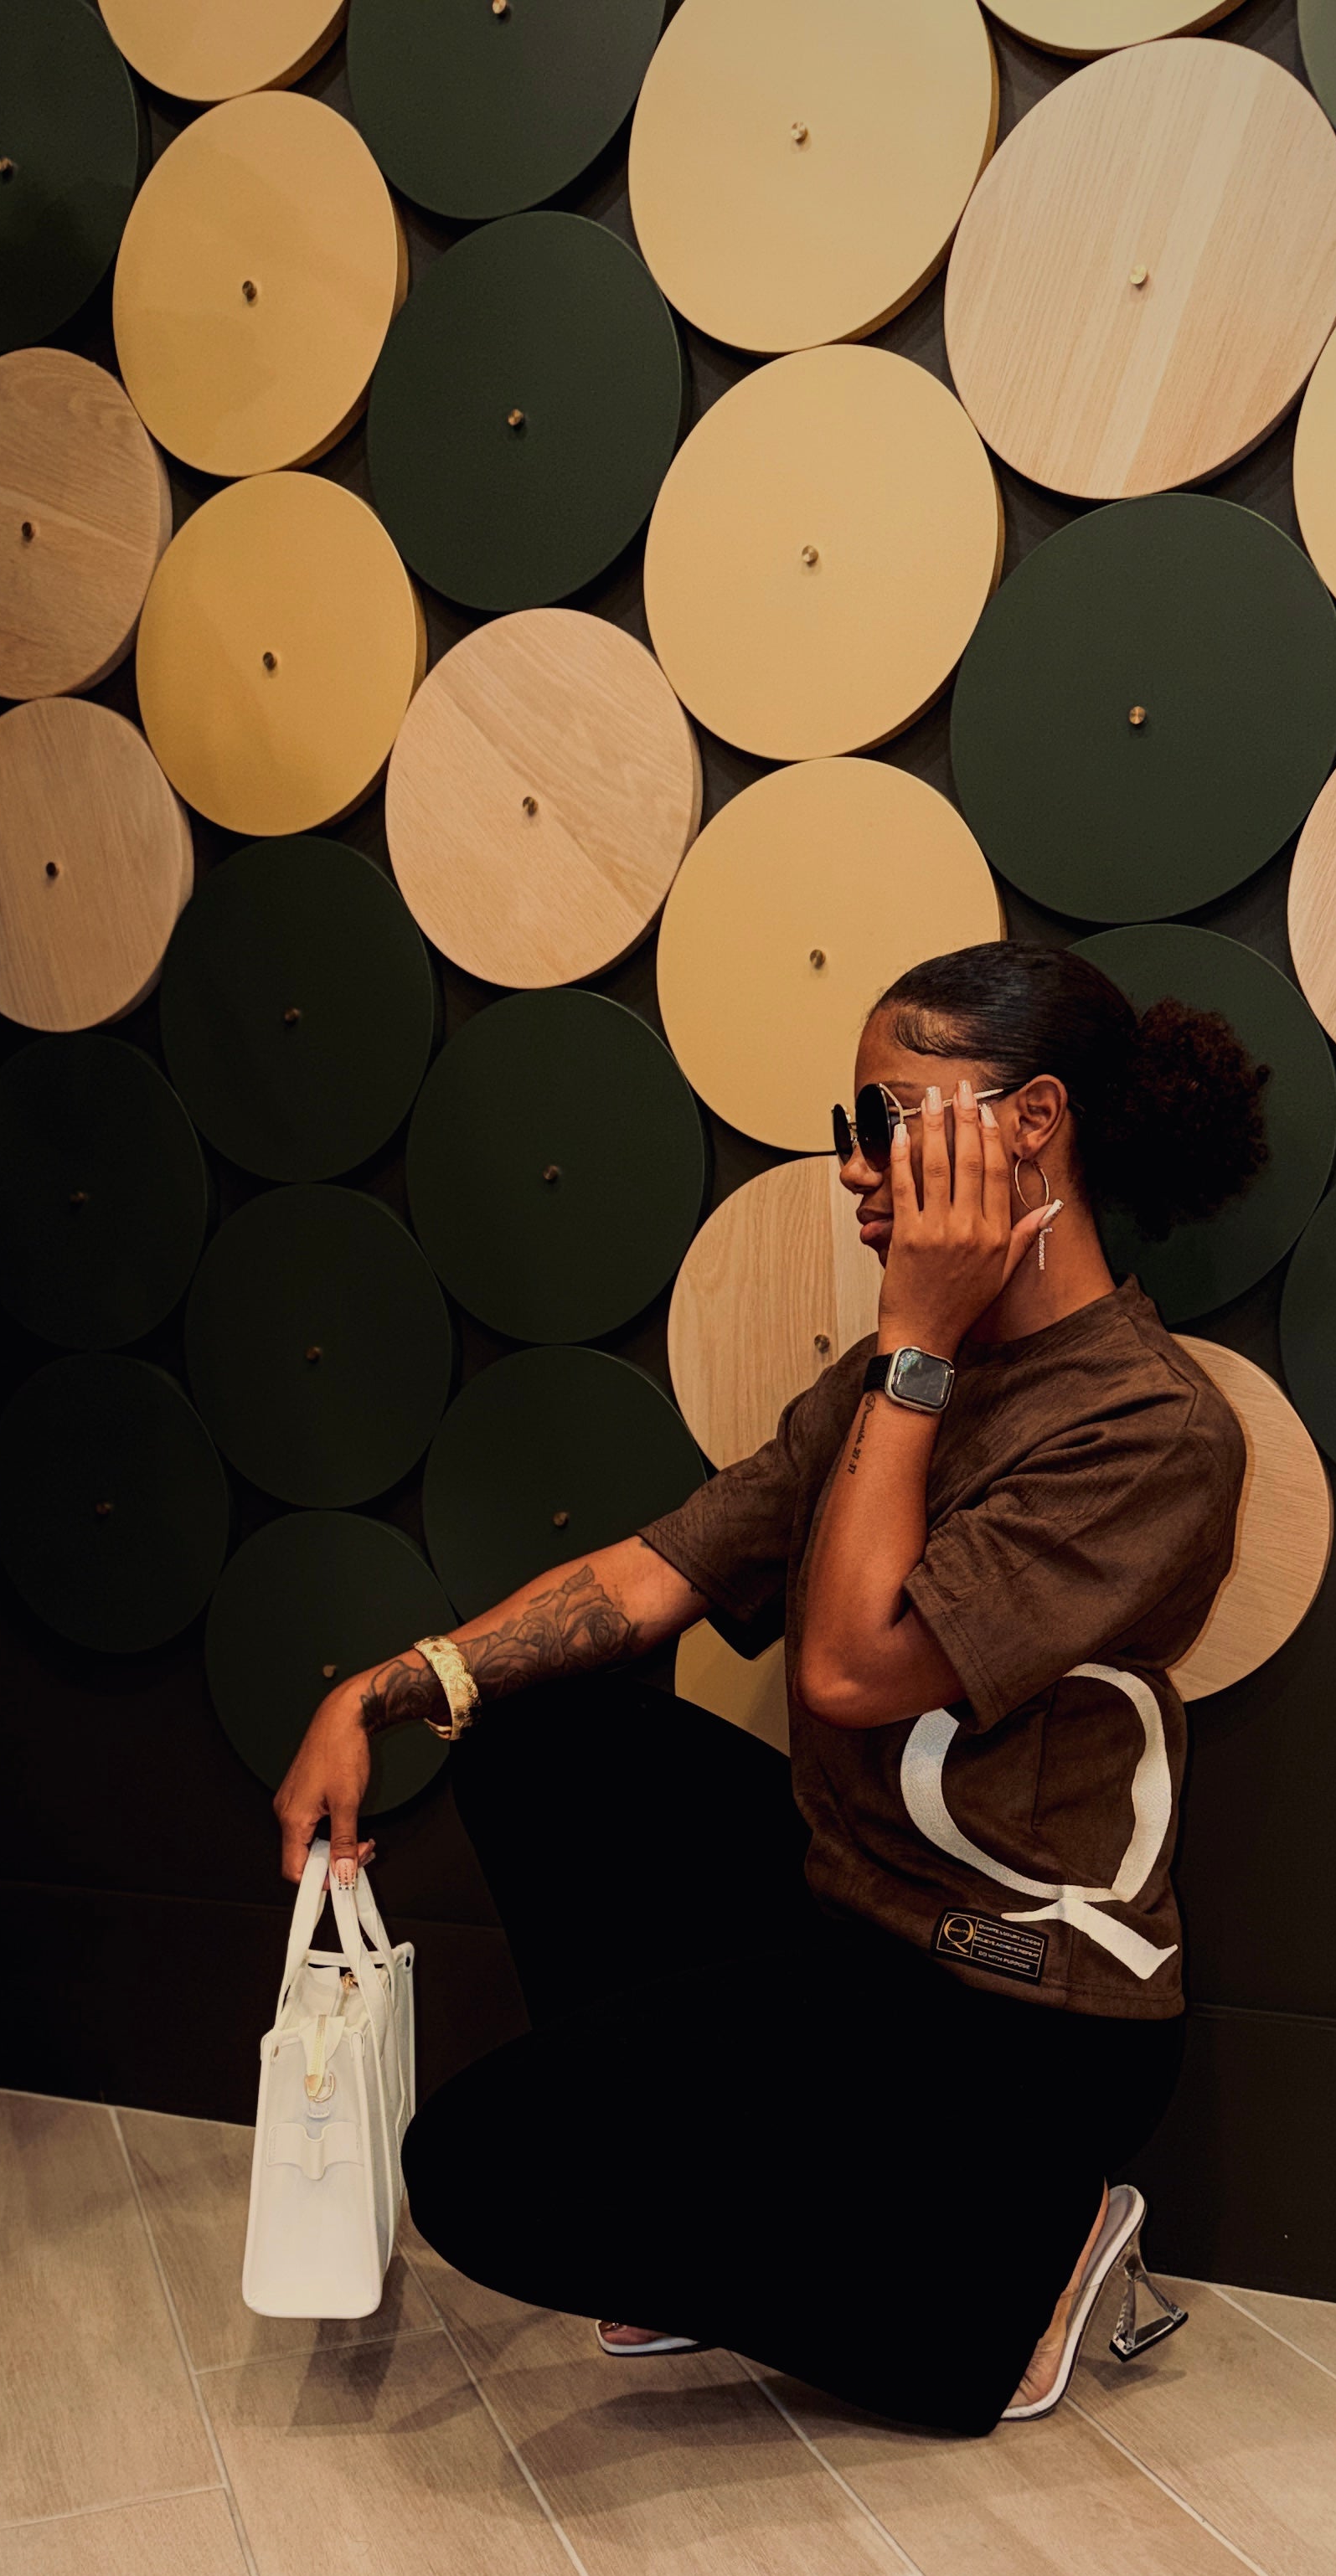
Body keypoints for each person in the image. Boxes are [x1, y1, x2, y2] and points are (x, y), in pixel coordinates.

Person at [272, 940, 1270, 2435]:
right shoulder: (881, 1382)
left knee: (477, 2178)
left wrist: (919, 1342)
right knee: (539, 1729)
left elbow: (854, 1669)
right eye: (848, 1128)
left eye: (889, 1121)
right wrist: (381, 1691)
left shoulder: (1151, 1429)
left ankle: (1027, 2260)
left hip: (1023, 2018)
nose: (856, 1167)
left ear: (1034, 1120)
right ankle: (747, 2230)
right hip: (852, 1926)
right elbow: (650, 1575)